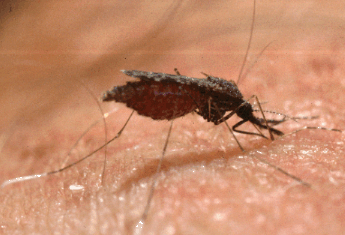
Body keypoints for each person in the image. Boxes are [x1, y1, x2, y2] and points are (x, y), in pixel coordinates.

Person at [0, 1, 343, 234]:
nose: (247, 118)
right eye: (248, 116)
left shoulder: (237, 102)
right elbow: (230, 117)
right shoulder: (232, 103)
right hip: (176, 92)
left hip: (187, 93)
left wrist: (267, 124)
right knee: (190, 104)